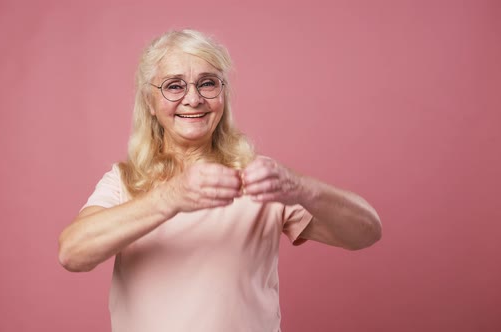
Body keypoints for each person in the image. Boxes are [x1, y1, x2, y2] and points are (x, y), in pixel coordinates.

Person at [58, 29, 382, 332]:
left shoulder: (259, 177)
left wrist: (303, 188)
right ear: (150, 103)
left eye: (208, 83)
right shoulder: (125, 181)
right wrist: (171, 197)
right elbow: (72, 253)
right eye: (174, 85)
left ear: (222, 95)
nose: (193, 99)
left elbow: (366, 232)